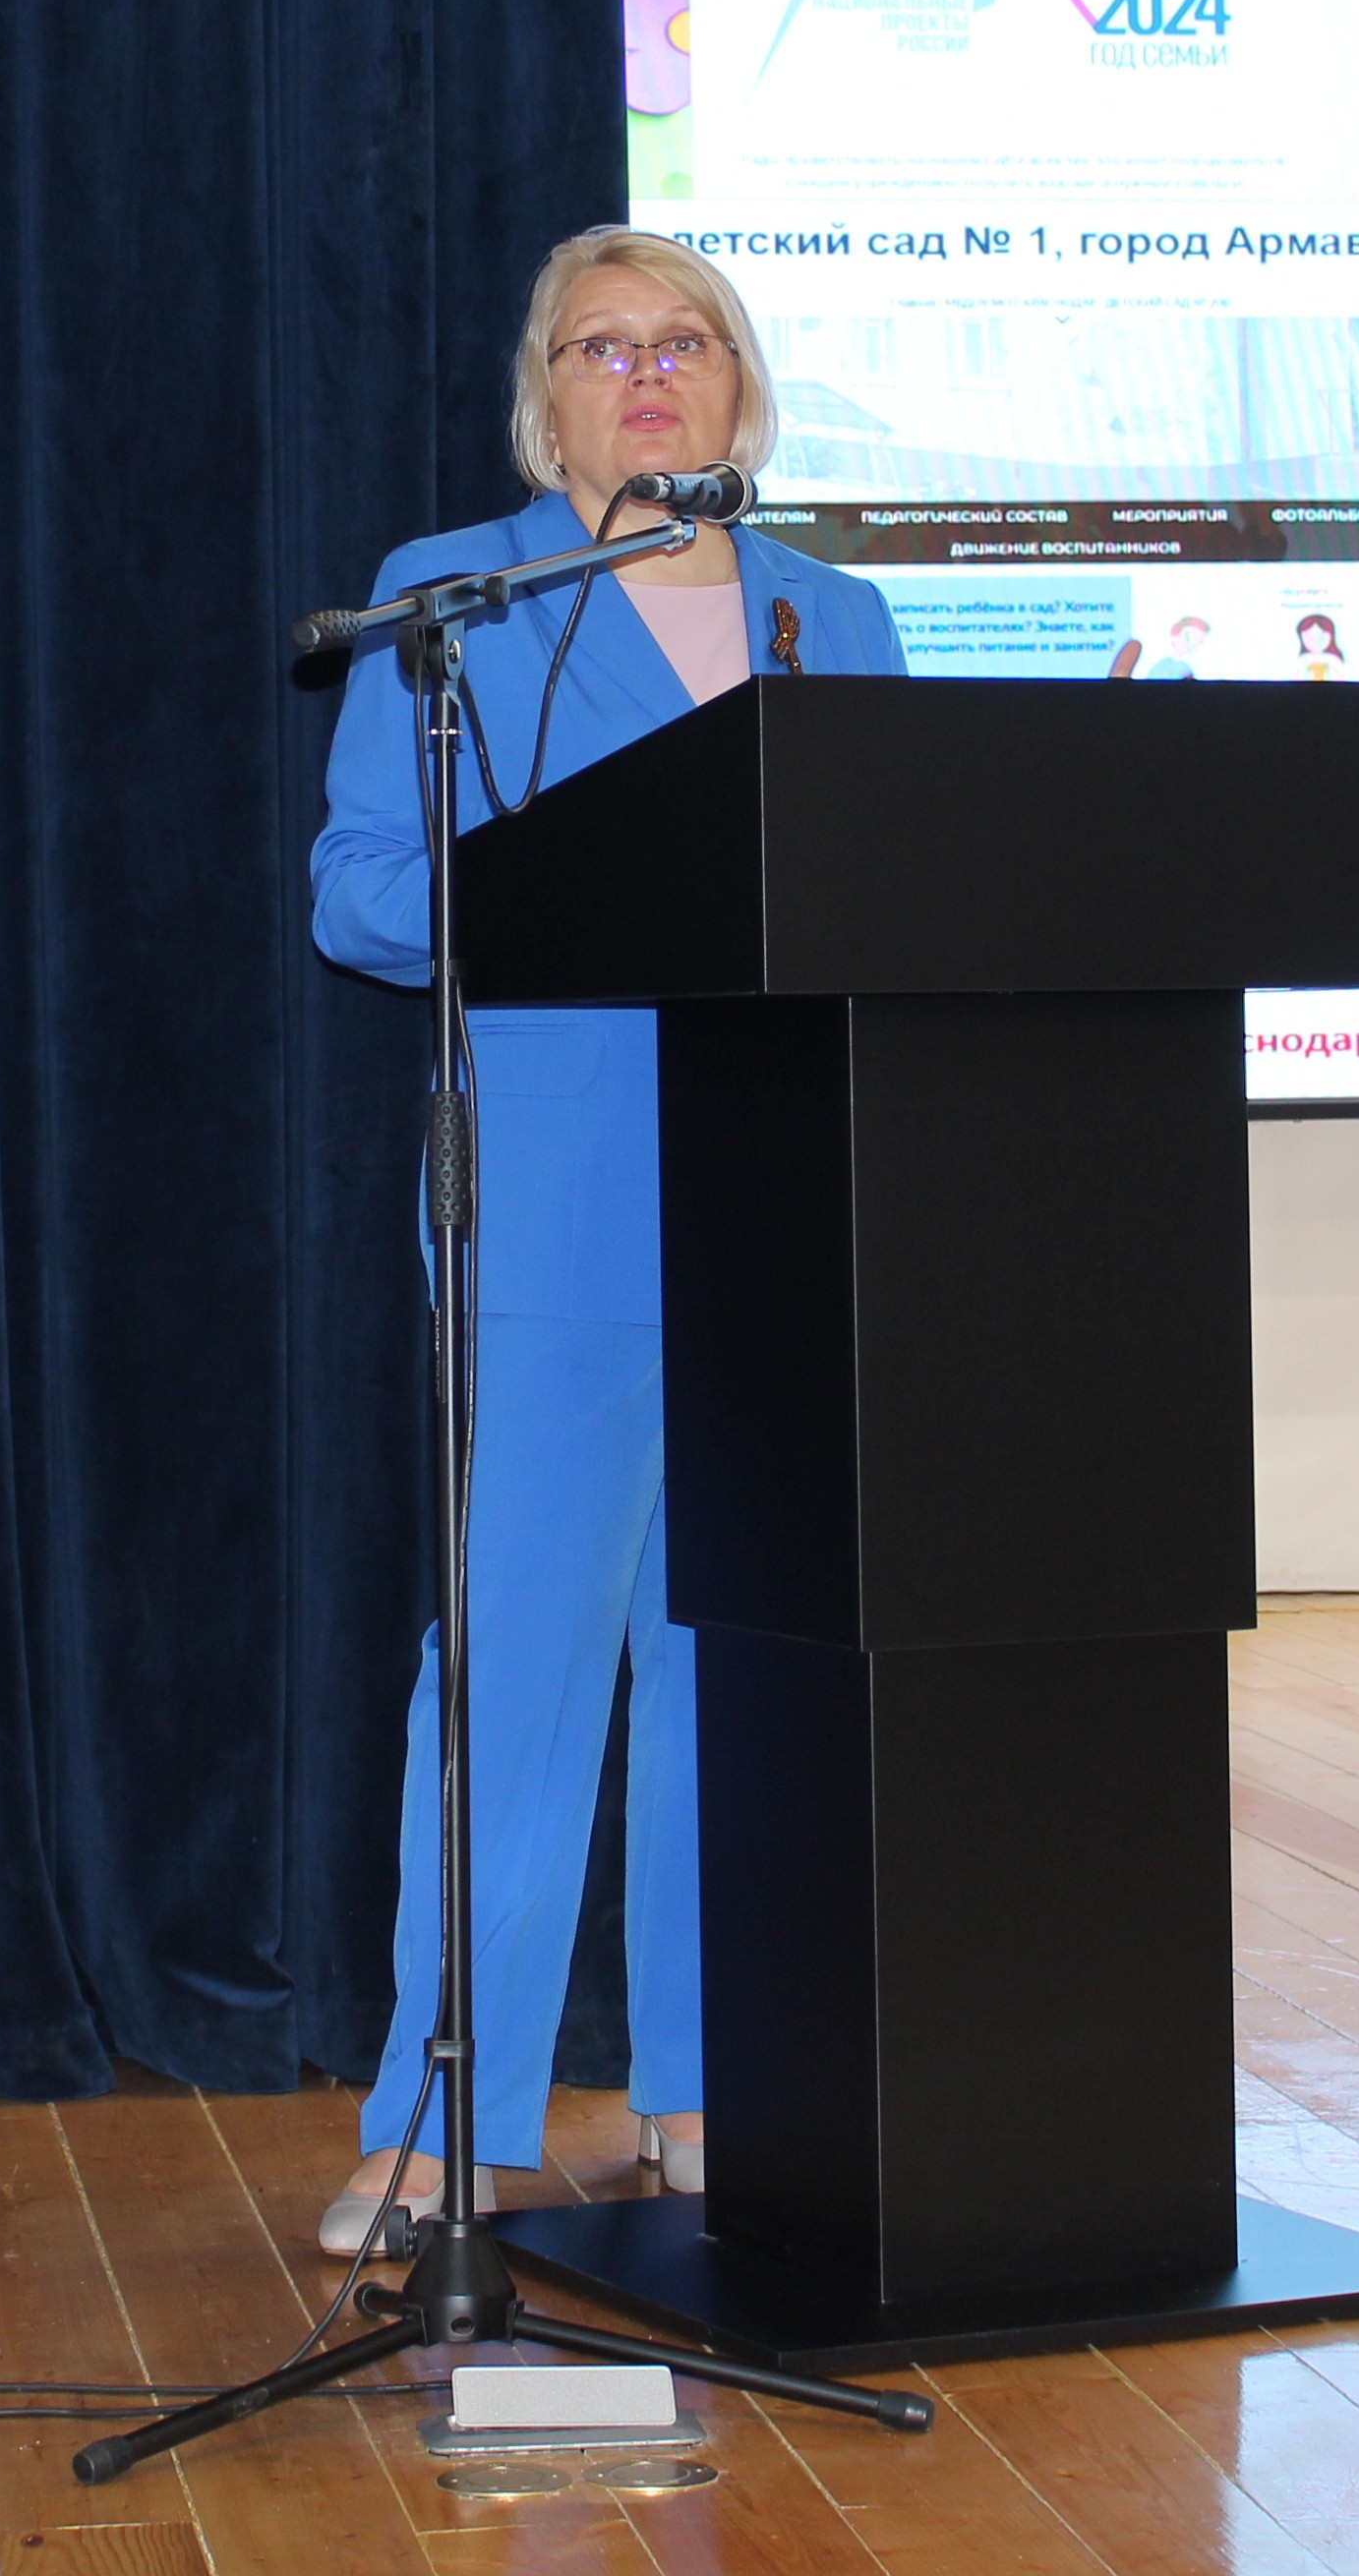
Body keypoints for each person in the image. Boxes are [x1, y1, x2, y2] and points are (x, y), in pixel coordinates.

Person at [307, 225, 906, 2255]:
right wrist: (564, 879)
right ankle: (447, 2119)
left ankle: (713, 2091)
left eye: (687, 340)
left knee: (740, 1673)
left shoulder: (835, 612)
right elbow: (361, 895)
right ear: (542, 403)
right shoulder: (460, 601)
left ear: (743, 387)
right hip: (558, 1203)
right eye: (602, 346)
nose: (650, 375)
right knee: (519, 1670)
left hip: (786, 1198)